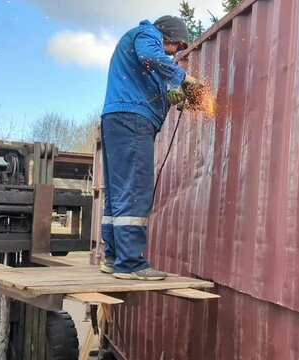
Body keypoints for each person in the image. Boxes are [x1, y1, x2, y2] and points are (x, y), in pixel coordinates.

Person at [99, 16, 199, 280]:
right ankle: (130, 264)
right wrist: (184, 79)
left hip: (116, 118)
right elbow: (150, 56)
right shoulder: (148, 35)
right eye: (177, 46)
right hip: (131, 120)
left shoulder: (136, 43)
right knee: (135, 189)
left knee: (118, 191)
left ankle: (112, 258)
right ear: (168, 35)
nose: (176, 52)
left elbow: (143, 83)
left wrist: (169, 96)